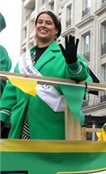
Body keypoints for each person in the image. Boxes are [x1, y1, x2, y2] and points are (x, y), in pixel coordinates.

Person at [0, 10, 90, 140]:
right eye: (40, 22)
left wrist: (72, 63)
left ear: (56, 30)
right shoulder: (24, 59)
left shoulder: (64, 55)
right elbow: (11, 91)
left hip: (51, 127)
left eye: (48, 23)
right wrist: (2, 118)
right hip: (20, 126)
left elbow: (82, 76)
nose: (43, 25)